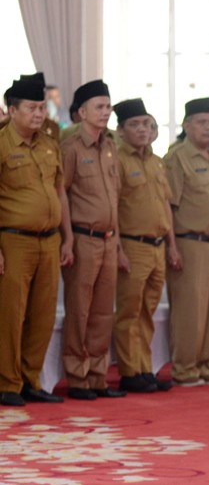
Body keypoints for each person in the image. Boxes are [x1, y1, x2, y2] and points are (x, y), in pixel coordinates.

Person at [0, 78, 70, 406]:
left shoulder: (49, 143)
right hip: (15, 241)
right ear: (12, 110)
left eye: (42, 107)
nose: (39, 114)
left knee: (43, 314)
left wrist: (68, 238)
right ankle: (7, 383)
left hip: (50, 240)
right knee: (11, 315)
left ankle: (31, 379)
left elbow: (60, 192)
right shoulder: (2, 144)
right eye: (32, 108)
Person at [60, 79, 126, 401]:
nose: (106, 112)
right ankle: (77, 376)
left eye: (108, 106)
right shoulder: (71, 148)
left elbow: (116, 198)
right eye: (99, 107)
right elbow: (61, 194)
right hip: (83, 238)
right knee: (80, 310)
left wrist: (119, 243)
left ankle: (98, 377)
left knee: (102, 312)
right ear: (82, 112)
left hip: (109, 239)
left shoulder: (111, 146)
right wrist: (67, 239)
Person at [164, 98, 209, 387]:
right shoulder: (177, 157)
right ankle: (185, 367)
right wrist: (171, 246)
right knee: (190, 309)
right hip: (191, 242)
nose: (208, 128)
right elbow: (168, 205)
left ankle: (207, 365)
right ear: (187, 125)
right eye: (202, 122)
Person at [112, 98, 177, 394]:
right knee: (129, 311)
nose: (142, 129)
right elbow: (112, 207)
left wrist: (172, 245)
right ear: (121, 130)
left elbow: (165, 205)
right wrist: (118, 249)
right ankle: (129, 372)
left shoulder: (156, 161)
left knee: (148, 311)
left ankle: (144, 368)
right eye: (134, 124)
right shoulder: (118, 160)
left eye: (146, 124)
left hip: (158, 246)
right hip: (132, 244)